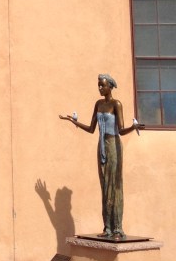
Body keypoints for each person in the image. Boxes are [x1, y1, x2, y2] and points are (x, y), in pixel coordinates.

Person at [59, 74, 142, 240]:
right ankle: (107, 227)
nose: (99, 88)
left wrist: (134, 128)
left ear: (110, 87)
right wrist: (73, 122)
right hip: (101, 146)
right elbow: (91, 129)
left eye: (102, 85)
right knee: (104, 186)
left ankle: (117, 228)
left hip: (113, 146)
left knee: (114, 186)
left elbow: (121, 130)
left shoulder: (116, 104)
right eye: (98, 85)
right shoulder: (98, 104)